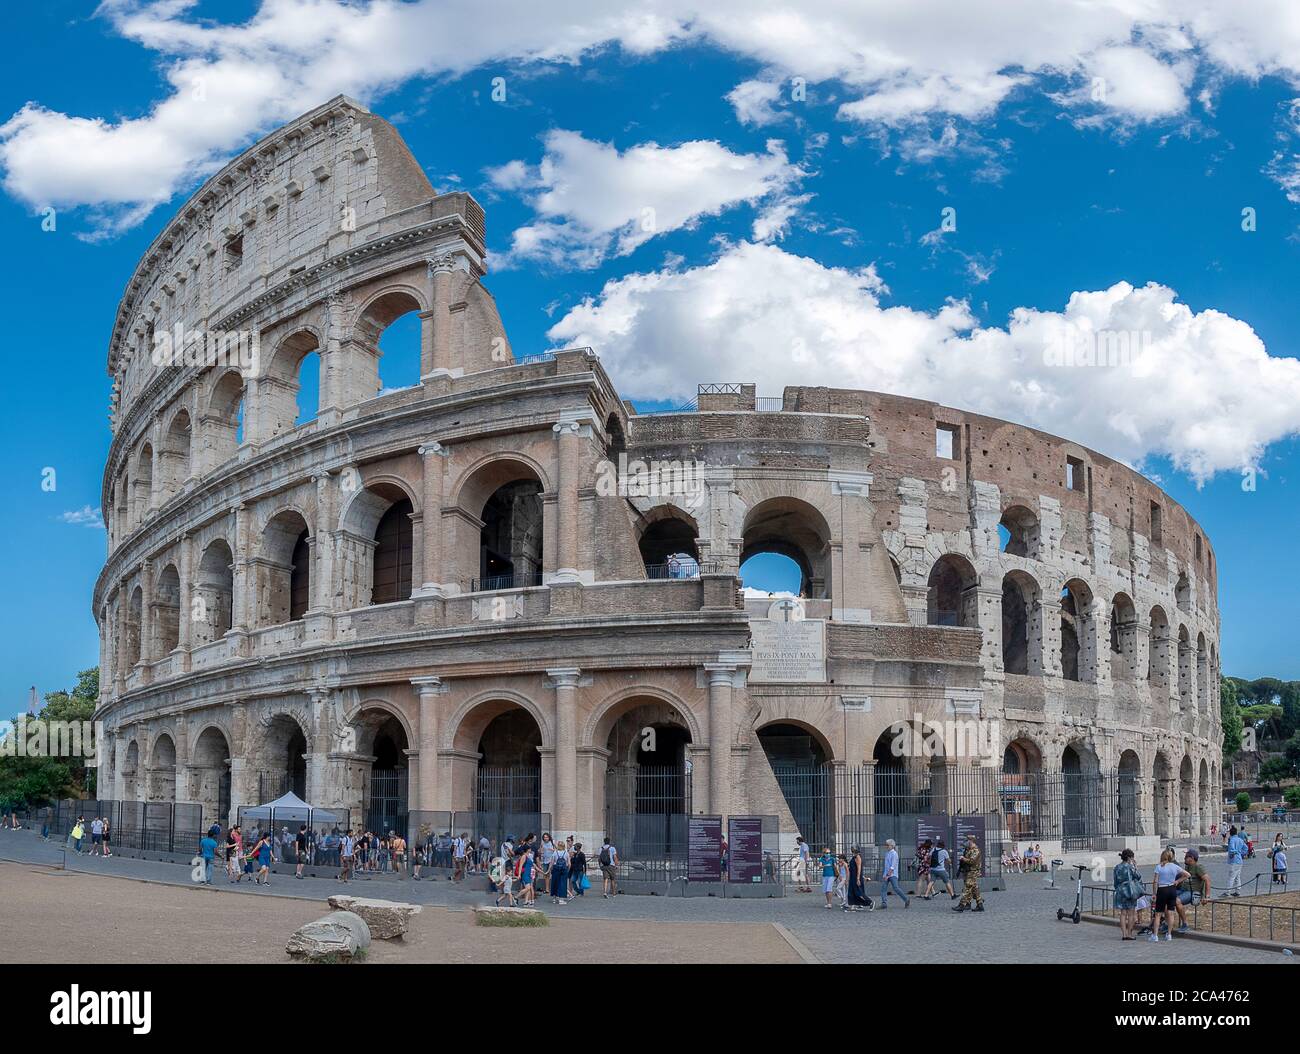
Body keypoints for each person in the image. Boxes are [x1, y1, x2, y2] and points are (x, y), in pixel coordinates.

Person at [1150, 848, 1189, 943]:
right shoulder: (1174, 866)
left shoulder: (1159, 867)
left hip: (1162, 889)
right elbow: (1187, 874)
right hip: (1172, 888)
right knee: (1171, 912)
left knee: (1158, 913)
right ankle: (1169, 934)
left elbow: (1155, 881)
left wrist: (1154, 893)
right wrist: (1177, 881)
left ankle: (1155, 935)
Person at [1176, 848, 1210, 932]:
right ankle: (1166, 922)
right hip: (1184, 889)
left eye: (1186, 856)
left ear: (1191, 858)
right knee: (1166, 897)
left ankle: (1185, 923)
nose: (1184, 858)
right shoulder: (1187, 866)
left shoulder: (1198, 867)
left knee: (1177, 901)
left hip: (1192, 892)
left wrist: (1207, 896)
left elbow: (1207, 880)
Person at [1113, 848, 1143, 941]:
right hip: (1130, 891)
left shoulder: (1117, 867)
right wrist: (1135, 866)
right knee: (1130, 914)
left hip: (1120, 890)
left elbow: (1115, 881)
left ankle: (1124, 934)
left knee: (1123, 914)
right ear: (1130, 858)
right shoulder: (1130, 867)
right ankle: (1129, 934)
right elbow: (1137, 876)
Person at [953, 835, 984, 912]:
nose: (965, 842)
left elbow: (972, 861)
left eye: (967, 840)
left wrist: (963, 859)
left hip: (973, 871)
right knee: (974, 888)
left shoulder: (976, 850)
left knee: (967, 888)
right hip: (968, 871)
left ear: (971, 841)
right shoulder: (968, 849)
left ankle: (961, 905)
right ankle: (979, 904)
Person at [878, 838, 910, 909]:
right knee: (883, 888)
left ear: (892, 846)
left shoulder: (894, 854)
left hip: (892, 874)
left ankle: (906, 899)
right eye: (886, 845)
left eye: (887, 845)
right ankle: (884, 903)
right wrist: (885, 874)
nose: (886, 846)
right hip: (887, 874)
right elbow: (886, 865)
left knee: (896, 888)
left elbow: (893, 866)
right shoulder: (887, 853)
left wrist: (887, 875)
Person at [1225, 826, 1246, 897]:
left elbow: (1231, 850)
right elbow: (1245, 848)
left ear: (1230, 833)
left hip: (1234, 860)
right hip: (1240, 860)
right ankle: (1238, 891)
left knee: (1231, 877)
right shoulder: (1240, 839)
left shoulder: (1232, 840)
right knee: (1237, 877)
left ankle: (1227, 892)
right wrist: (1241, 853)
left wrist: (1235, 853)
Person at [551, 838, 570, 904]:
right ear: (564, 846)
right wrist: (568, 870)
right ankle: (561, 899)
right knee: (563, 884)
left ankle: (555, 898)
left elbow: (552, 862)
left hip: (556, 869)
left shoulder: (555, 852)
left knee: (555, 883)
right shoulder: (566, 853)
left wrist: (550, 869)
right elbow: (569, 863)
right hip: (564, 870)